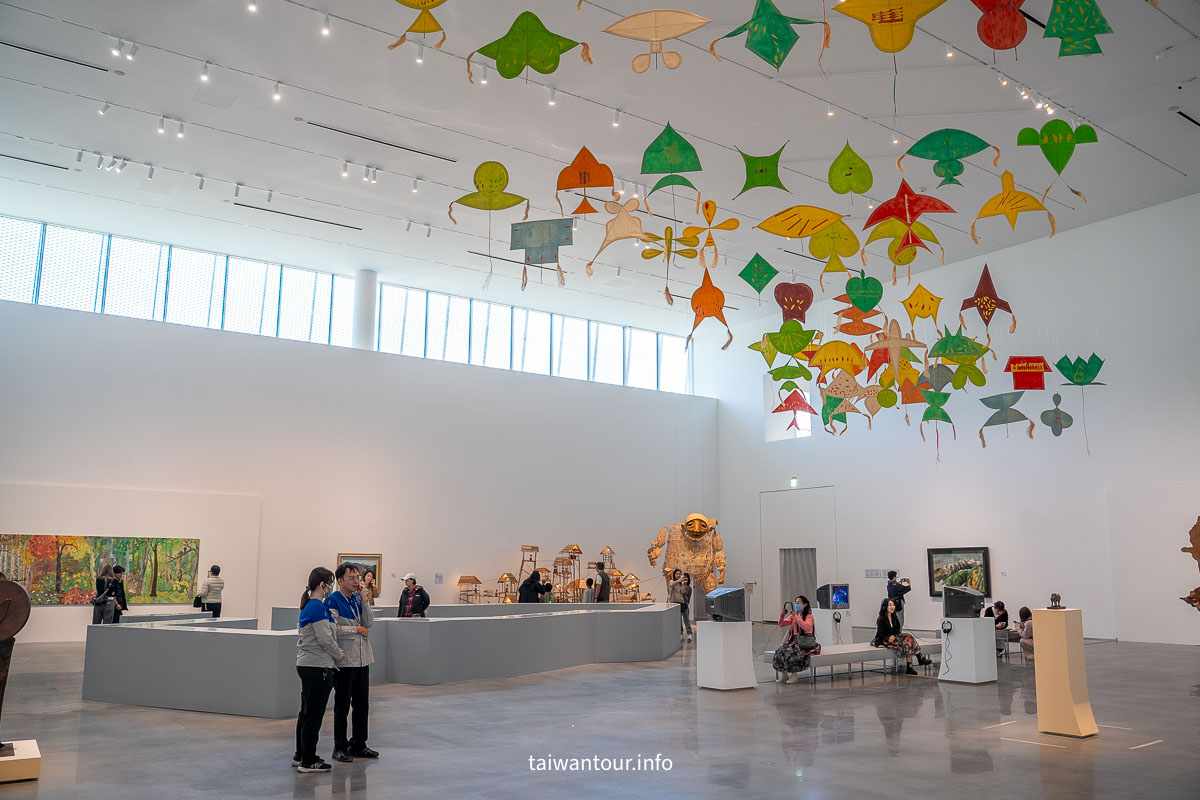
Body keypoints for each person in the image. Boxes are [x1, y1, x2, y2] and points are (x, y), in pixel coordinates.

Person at [294, 567, 346, 773]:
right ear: (321, 584)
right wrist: (339, 653)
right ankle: (308, 760)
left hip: (309, 664)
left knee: (306, 712)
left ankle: (301, 755)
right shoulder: (317, 607)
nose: (331, 587)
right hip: (317, 666)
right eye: (330, 582)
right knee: (313, 715)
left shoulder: (313, 606)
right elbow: (325, 639)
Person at [325, 563, 378, 763]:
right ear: (340, 581)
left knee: (362, 704)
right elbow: (333, 629)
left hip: (363, 659)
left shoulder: (357, 599)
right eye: (352, 578)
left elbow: (369, 622)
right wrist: (356, 629)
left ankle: (359, 743)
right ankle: (339, 746)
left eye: (358, 577)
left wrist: (365, 598)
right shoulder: (332, 601)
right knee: (342, 705)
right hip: (345, 660)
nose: (357, 581)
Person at [873, 598, 932, 675]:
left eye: (893, 605)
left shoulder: (894, 617)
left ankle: (911, 666)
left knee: (908, 640)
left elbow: (897, 629)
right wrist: (879, 643)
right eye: (890, 605)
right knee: (908, 640)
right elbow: (880, 633)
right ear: (884, 607)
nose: (892, 607)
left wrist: (894, 635)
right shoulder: (881, 619)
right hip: (886, 640)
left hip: (895, 638)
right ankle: (918, 658)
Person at [773, 595, 821, 684]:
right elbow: (781, 624)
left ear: (805, 604)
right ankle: (784, 674)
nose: (796, 604)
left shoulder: (808, 616)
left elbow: (807, 627)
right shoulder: (795, 616)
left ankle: (794, 675)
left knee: (792, 652)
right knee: (779, 651)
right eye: (795, 603)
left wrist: (796, 617)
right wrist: (782, 615)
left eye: (798, 603)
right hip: (794, 640)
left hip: (805, 641)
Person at [668, 569, 692, 641]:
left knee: (686, 619)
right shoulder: (672, 581)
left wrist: (683, 584)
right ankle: (680, 634)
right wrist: (679, 581)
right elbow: (671, 585)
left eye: (679, 574)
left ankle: (689, 634)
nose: (678, 575)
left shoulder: (681, 584)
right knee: (678, 620)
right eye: (677, 574)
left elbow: (683, 592)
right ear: (674, 575)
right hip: (675, 603)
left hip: (682, 603)